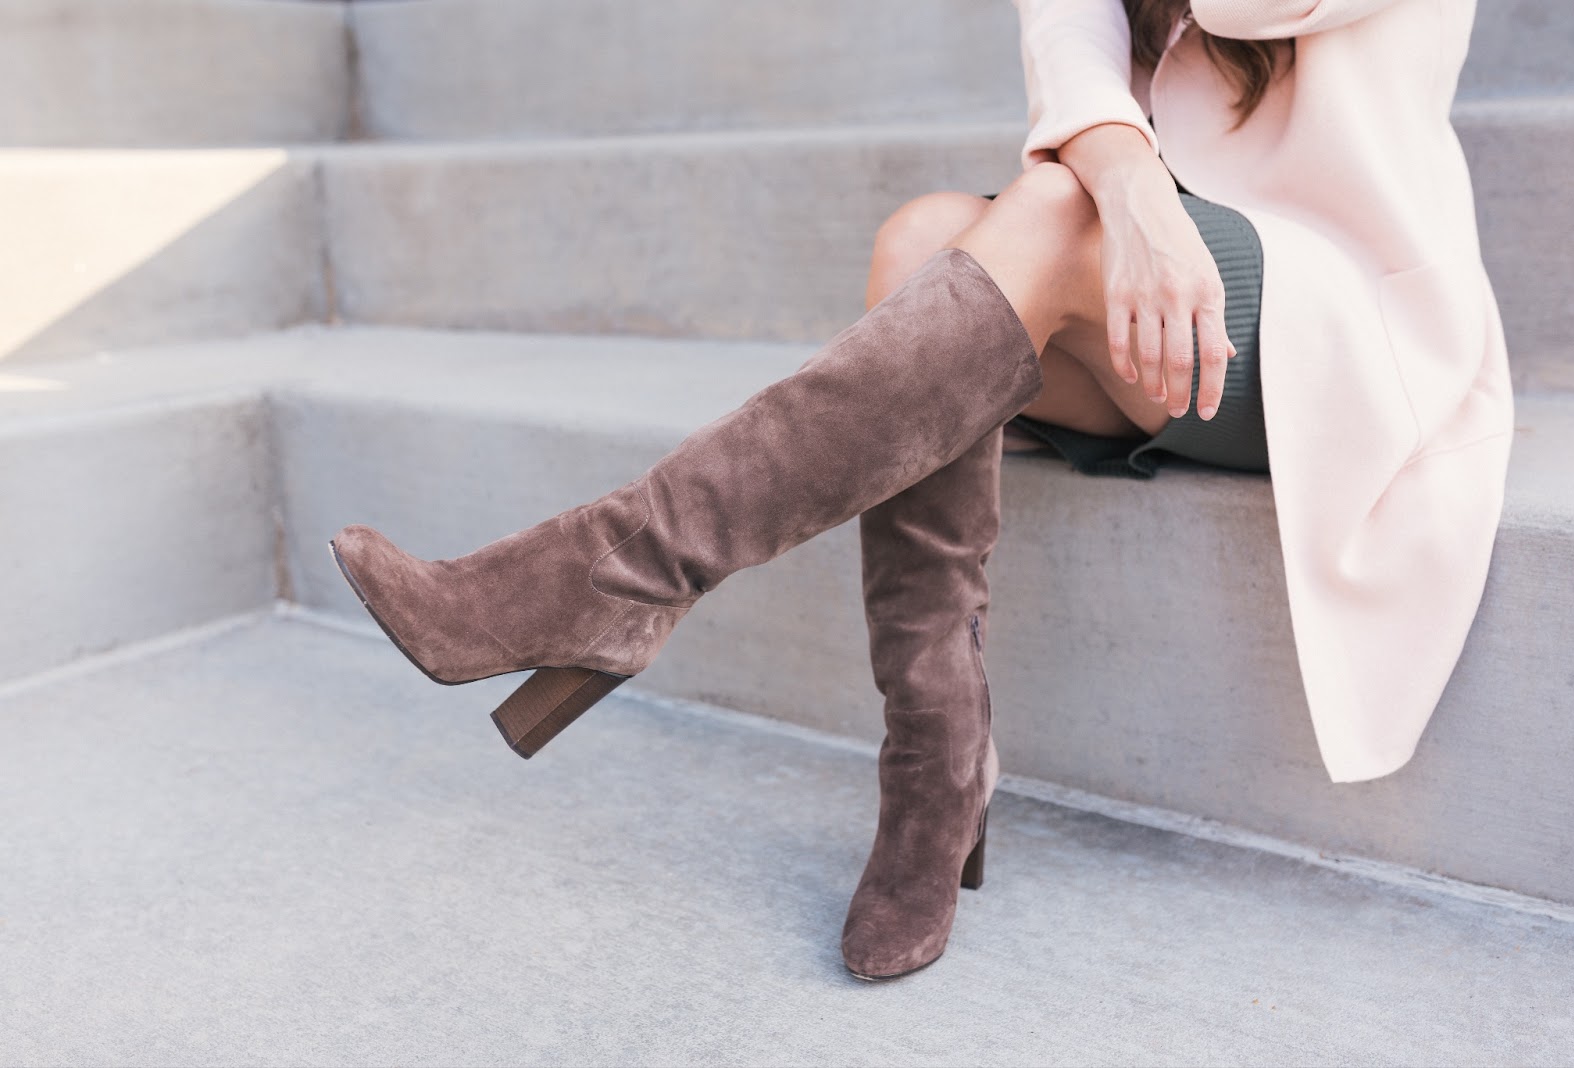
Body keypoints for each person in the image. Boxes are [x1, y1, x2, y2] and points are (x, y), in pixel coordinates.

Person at [329, 0, 1512, 982]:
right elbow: (1064, 35)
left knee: (1040, 213)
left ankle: (606, 576)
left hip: (1343, 326)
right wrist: (1138, 190)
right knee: (920, 239)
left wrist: (1125, 190)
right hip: (1157, 284)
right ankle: (934, 766)